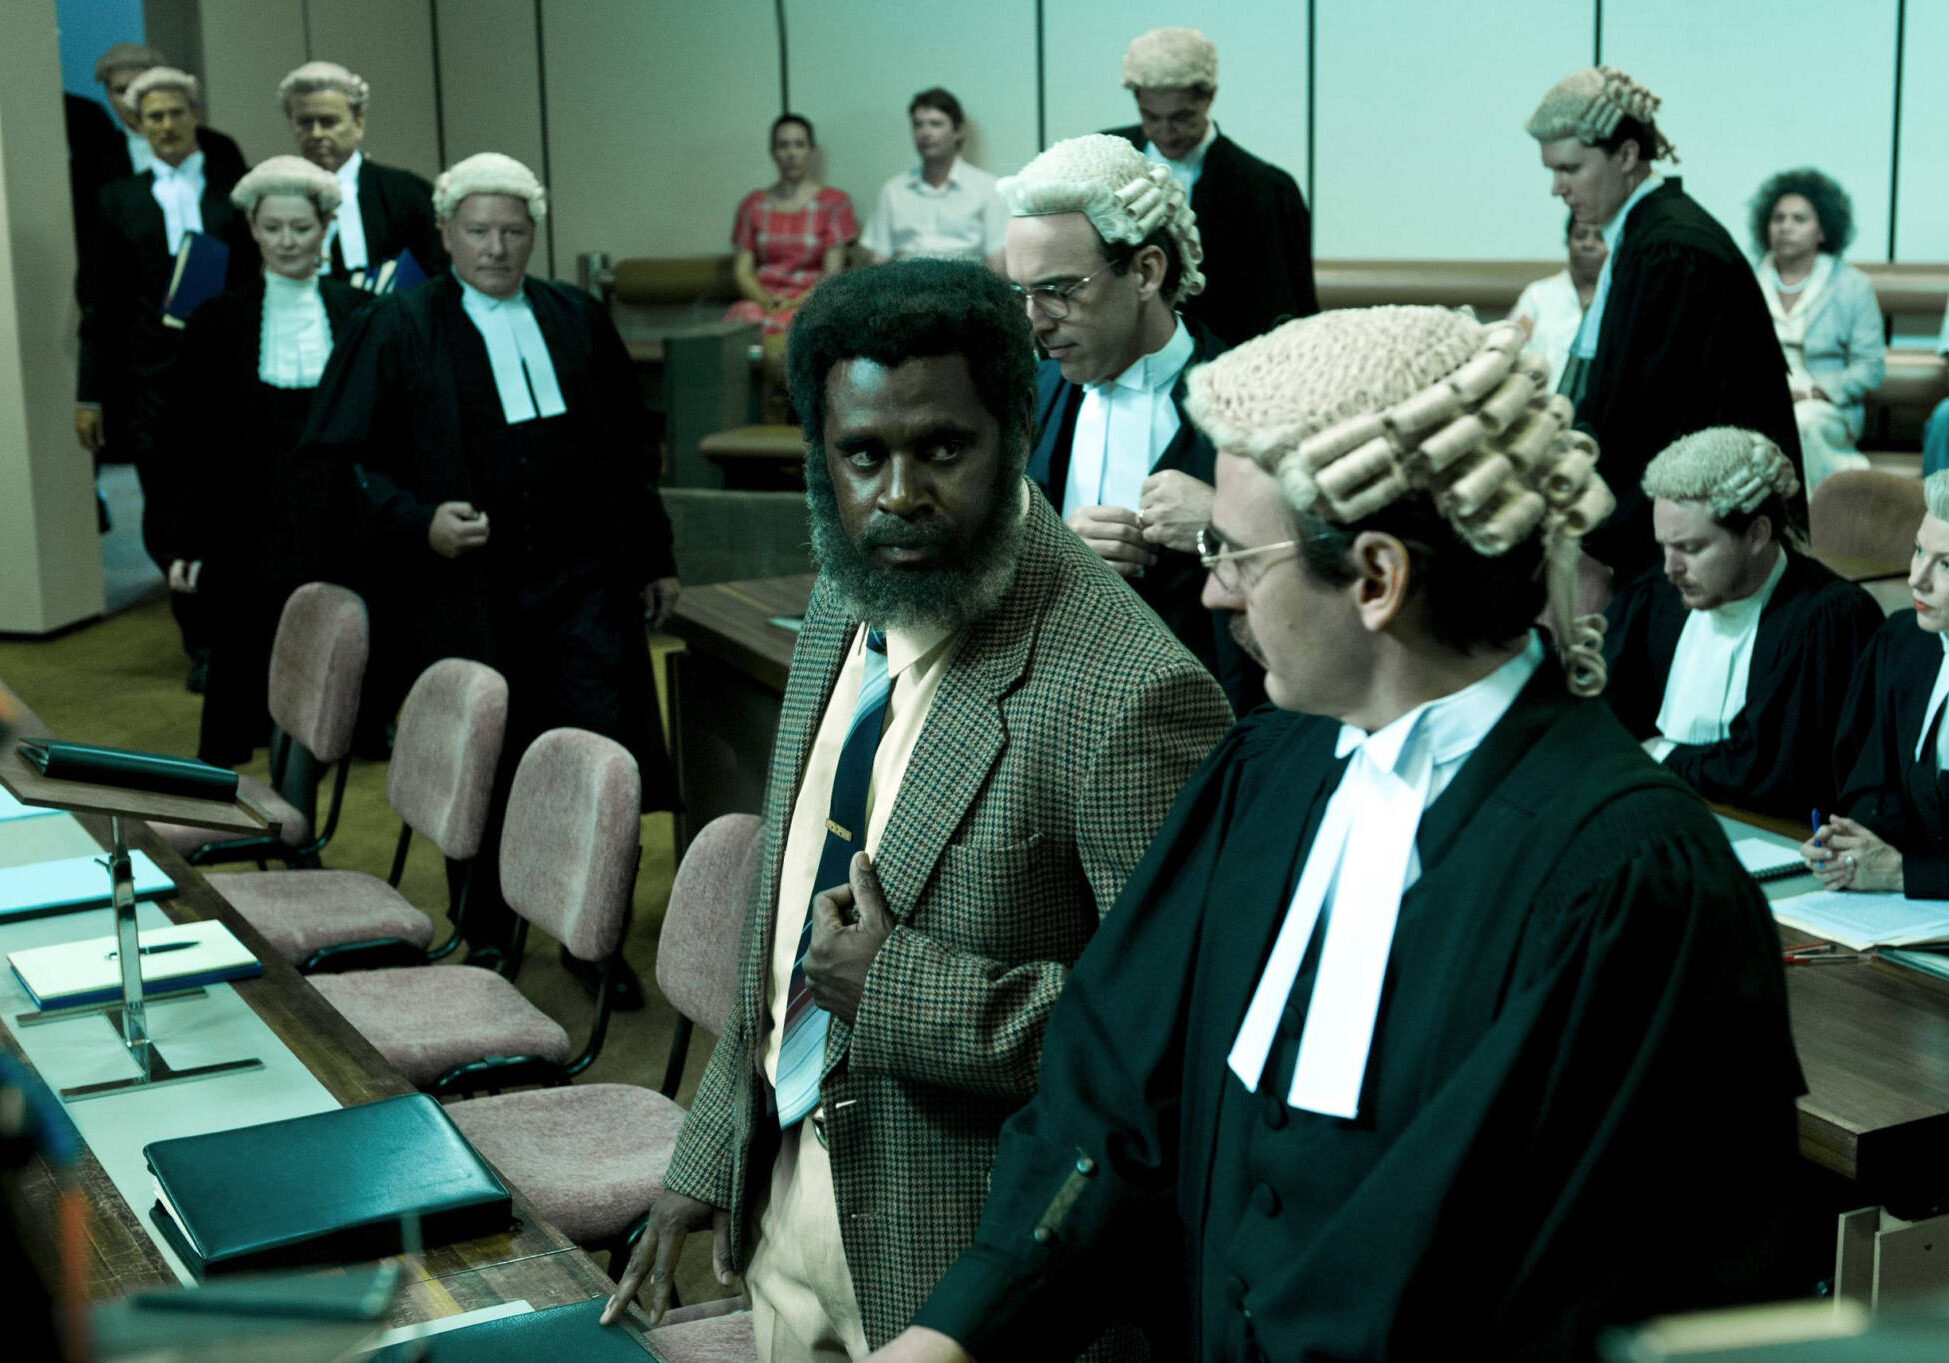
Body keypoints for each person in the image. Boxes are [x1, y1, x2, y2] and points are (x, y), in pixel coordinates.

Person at [870, 307, 1805, 1362]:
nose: (1214, 588)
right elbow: (1113, 1094)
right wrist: (954, 1332)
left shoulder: (1631, 877)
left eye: (1232, 552)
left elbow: (1586, 1294)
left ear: (1374, 577)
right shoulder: (1263, 772)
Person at [601, 259, 1232, 1359]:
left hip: (966, 1290)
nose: (898, 494)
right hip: (782, 1229)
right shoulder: (849, 594)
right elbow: (783, 932)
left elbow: (1173, 1046)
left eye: (942, 448)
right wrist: (704, 1162)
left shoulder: (1133, 692)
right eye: (862, 455)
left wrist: (899, 987)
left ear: (1015, 428)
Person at [300, 152, 680, 960]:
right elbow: (346, 461)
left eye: (513, 231)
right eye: (478, 231)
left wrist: (653, 556)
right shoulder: (400, 323)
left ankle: (592, 940)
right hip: (469, 591)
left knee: (594, 755)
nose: (497, 248)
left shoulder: (575, 314)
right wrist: (418, 522)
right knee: (486, 758)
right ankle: (486, 934)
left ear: (534, 234)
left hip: (583, 581)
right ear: (445, 232)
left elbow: (627, 452)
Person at [1003, 133, 1260, 713]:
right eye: (1023, 293)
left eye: (1057, 292)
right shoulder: (1022, 402)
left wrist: (1220, 526)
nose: (1034, 322)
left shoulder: (1255, 407)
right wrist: (1052, 552)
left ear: (1146, 272)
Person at [1527, 65, 1798, 587]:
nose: (1557, 189)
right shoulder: (1651, 234)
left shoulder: (1670, 250)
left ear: (1626, 156)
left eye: (1570, 169)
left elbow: (1645, 414)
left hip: (1711, 524)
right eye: (1552, 171)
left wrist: (1582, 517)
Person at [160, 156, 374, 765]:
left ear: (326, 228)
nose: (286, 241)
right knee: (246, 646)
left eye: (301, 228)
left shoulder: (360, 312)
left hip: (338, 516)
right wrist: (184, 536)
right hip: (245, 519)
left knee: (338, 637)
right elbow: (183, 439)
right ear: (252, 228)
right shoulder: (216, 321)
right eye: (273, 227)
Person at [76, 67, 254, 690]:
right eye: (154, 117)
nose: (168, 126)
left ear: (194, 115)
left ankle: (248, 631)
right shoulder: (119, 199)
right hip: (155, 383)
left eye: (177, 113)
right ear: (139, 127)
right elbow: (100, 302)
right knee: (172, 513)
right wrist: (90, 392)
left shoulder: (235, 186)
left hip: (234, 372)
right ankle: (201, 640)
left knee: (238, 502)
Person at [1602, 427, 1881, 818]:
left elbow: (1772, 776)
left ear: (1756, 534)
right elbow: (1602, 713)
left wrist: (1660, 752)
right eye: (1664, 545)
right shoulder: (1658, 597)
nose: (1670, 567)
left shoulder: (1827, 619)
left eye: (1691, 548)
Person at [1105, 26, 1317, 347]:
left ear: (1209, 97)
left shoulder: (1265, 188)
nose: (1166, 132)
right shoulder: (1105, 161)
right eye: (1151, 117)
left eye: (1181, 117)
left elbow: (1284, 308)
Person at [1811, 469, 1949, 896]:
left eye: (1946, 565)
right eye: (1917, 551)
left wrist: (1903, 873)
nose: (1916, 578)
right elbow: (1869, 782)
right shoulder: (1905, 641)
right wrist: (1854, 845)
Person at [1749, 169, 1886, 491]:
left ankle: (1814, 526)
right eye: (1778, 218)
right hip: (1760, 396)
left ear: (1823, 231)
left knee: (1802, 422)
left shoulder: (1852, 286)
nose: (1785, 227)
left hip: (1825, 407)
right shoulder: (1748, 279)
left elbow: (1871, 369)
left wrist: (1814, 393)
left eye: (1799, 219)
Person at [277, 60, 448, 280]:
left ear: (358, 123)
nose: (316, 133)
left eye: (328, 122)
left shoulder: (406, 193)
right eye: (305, 123)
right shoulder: (274, 198)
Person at [725, 114, 857, 340]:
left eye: (799, 144)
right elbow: (743, 271)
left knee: (817, 323)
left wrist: (793, 302)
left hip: (813, 303)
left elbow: (832, 275)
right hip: (762, 303)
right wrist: (766, 300)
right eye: (783, 145)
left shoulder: (835, 203)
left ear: (811, 151)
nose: (791, 153)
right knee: (740, 323)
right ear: (773, 152)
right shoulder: (753, 204)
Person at [859, 88, 1007, 270]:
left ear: (958, 131)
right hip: (904, 289)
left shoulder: (987, 188)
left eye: (935, 124)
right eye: (918, 125)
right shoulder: (893, 190)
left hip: (965, 290)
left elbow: (997, 261)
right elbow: (878, 258)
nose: (925, 133)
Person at [1510, 214, 1607, 391]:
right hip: (1538, 406)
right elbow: (1513, 356)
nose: (1589, 243)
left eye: (1600, 237)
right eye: (1580, 235)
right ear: (1567, 241)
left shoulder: (1618, 299)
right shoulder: (1538, 295)